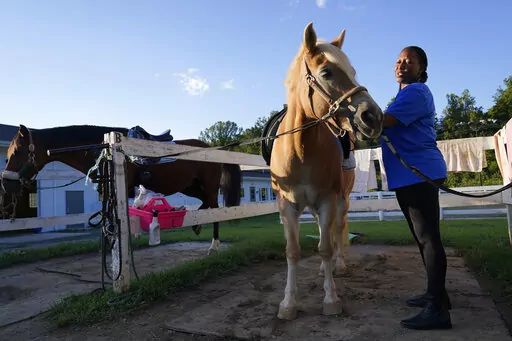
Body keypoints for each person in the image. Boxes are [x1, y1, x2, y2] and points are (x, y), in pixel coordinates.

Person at [379, 46, 452, 330]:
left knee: (428, 239)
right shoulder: (406, 94)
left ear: (422, 68)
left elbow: (382, 122)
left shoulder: (415, 93)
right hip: (411, 175)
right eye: (398, 60)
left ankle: (437, 310)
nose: (401, 65)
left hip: (418, 174)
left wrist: (351, 109)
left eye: (409, 61)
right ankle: (437, 296)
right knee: (424, 238)